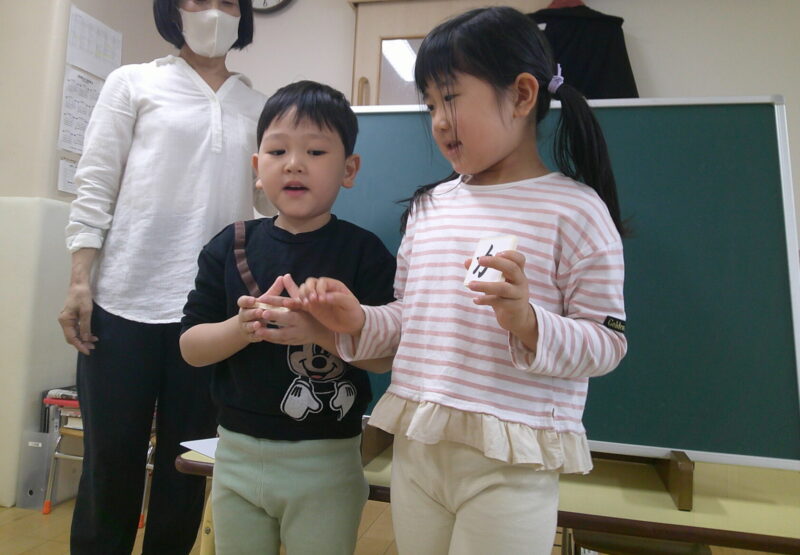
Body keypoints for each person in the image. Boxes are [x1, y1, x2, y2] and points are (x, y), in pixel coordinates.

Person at [273, 7, 628, 555]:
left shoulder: (576, 210)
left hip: (512, 460)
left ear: (522, 94)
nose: (438, 120)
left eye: (451, 98)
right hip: (419, 448)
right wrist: (356, 321)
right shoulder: (430, 207)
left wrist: (529, 323)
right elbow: (408, 323)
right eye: (431, 104)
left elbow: (608, 342)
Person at [57, 1, 272, 553]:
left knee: (187, 465)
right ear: (173, 8)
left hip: (212, 317)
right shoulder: (132, 83)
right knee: (110, 461)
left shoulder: (260, 106)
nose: (214, 12)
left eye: (228, 1)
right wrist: (80, 281)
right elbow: (96, 181)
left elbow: (270, 206)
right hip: (122, 302)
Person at [179, 80, 396, 555]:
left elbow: (384, 360)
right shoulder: (230, 244)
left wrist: (319, 331)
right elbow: (191, 348)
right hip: (235, 454)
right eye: (278, 151)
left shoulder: (364, 253)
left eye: (315, 151)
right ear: (258, 168)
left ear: (349, 169)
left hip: (327, 462)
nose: (294, 163)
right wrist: (242, 328)